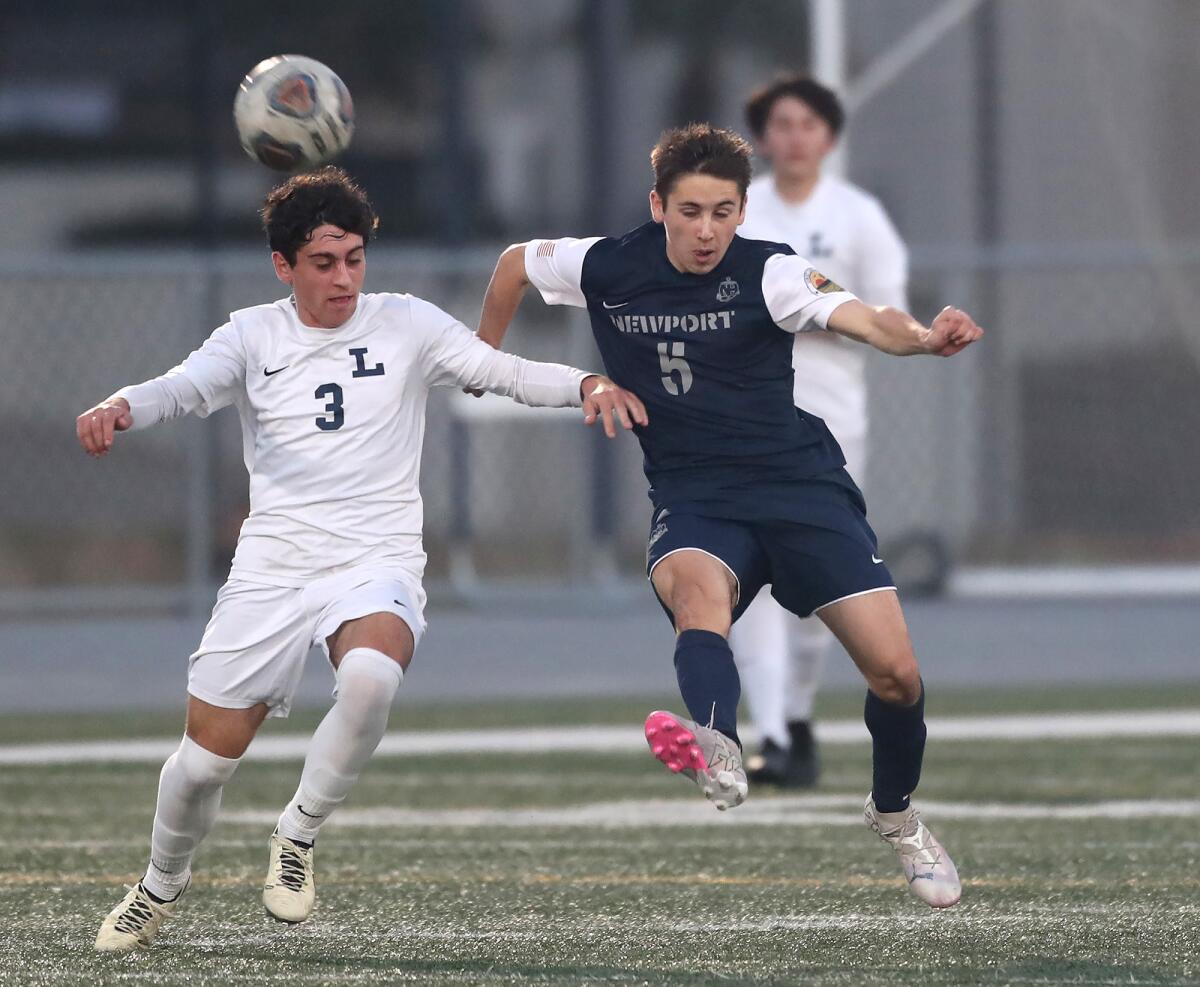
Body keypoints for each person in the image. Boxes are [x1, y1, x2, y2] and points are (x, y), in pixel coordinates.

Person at [79, 167, 645, 953]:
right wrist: (120, 406)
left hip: (373, 553)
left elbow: (500, 371)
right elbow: (181, 387)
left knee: (373, 677)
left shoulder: (406, 322)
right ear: (284, 265)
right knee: (203, 767)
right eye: (323, 261)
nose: (344, 276)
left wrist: (582, 379)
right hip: (274, 564)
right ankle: (158, 885)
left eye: (354, 257)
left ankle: (297, 834)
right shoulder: (251, 334)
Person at [474, 124, 981, 909]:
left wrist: (920, 338)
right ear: (658, 206)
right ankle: (719, 745)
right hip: (696, 494)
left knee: (897, 674)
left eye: (723, 211)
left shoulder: (768, 271)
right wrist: (486, 362)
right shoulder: (607, 264)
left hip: (798, 487)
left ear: (742, 210)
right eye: (690, 211)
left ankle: (897, 816)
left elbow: (868, 319)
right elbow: (513, 265)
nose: (708, 229)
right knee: (694, 597)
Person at [730, 75, 910, 789]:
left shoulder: (858, 215)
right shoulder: (740, 212)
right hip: (744, 416)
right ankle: (769, 731)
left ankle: (796, 718)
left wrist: (821, 313)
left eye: (808, 123)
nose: (794, 136)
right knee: (748, 574)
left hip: (831, 422)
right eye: (781, 123)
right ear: (762, 136)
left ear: (829, 136)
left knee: (818, 583)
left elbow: (888, 313)